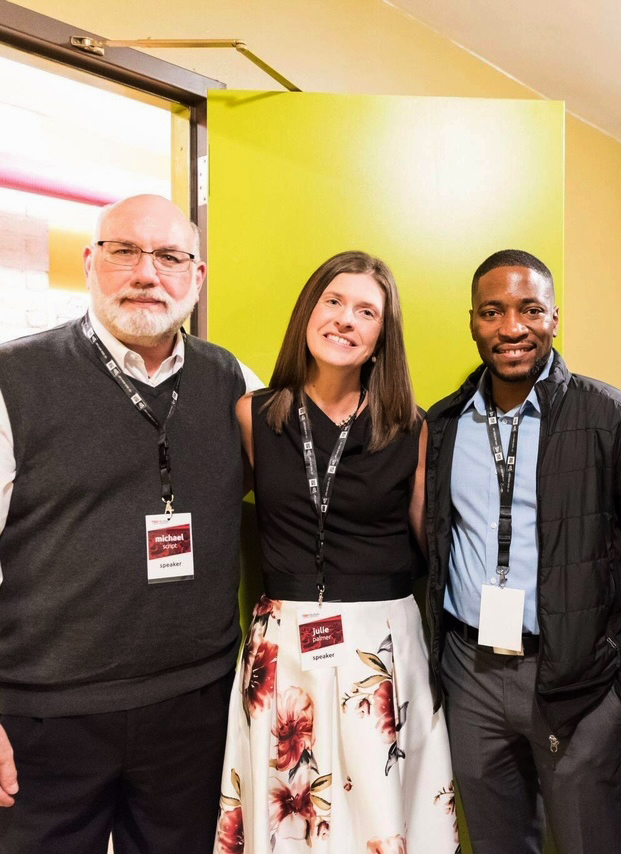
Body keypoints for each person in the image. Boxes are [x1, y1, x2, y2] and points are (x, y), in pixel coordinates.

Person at [0, 194, 260, 853]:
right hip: (43, 721)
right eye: (125, 251)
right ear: (90, 262)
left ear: (196, 277)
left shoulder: (231, 380)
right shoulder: (4, 382)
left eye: (170, 257)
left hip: (194, 713)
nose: (147, 273)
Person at [424, 249, 621, 853]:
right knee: (495, 843)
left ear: (555, 318)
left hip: (580, 679)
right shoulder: (442, 426)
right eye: (493, 311)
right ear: (472, 321)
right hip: (471, 672)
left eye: (529, 309)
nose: (512, 327)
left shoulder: (618, 421)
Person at [214, 251, 456, 854]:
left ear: (381, 337)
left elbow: (433, 546)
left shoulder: (410, 428)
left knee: (376, 812)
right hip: (284, 646)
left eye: (365, 312)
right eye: (334, 302)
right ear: (308, 313)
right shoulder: (254, 414)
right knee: (288, 815)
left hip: (380, 645)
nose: (346, 320)